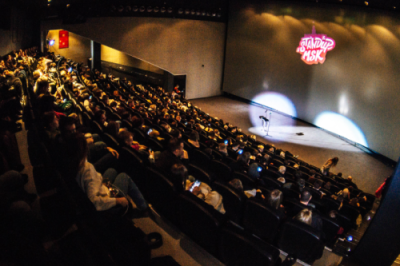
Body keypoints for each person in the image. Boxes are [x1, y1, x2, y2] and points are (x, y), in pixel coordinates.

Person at [65, 133, 147, 212]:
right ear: (85, 148)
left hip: (99, 188)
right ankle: (144, 207)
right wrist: (117, 201)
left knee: (111, 171)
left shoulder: (71, 163)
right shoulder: (87, 168)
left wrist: (100, 183)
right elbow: (94, 202)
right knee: (124, 176)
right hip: (106, 204)